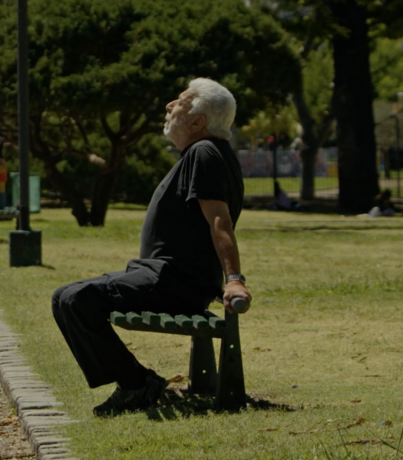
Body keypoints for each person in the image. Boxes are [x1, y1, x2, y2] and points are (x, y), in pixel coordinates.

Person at [51, 78, 252, 417]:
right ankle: (135, 381)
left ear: (197, 121)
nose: (169, 106)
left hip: (174, 281)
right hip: (162, 277)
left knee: (75, 300)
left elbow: (220, 220)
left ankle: (136, 384)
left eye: (180, 101)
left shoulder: (204, 152)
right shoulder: (204, 153)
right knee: (63, 298)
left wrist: (234, 279)